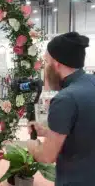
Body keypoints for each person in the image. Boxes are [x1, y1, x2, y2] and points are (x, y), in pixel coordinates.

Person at [26, 32, 95, 186]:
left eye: (46, 62)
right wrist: (47, 132)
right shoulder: (91, 82)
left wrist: (32, 146)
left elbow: (47, 156)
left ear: (56, 63)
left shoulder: (65, 99)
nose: (45, 68)